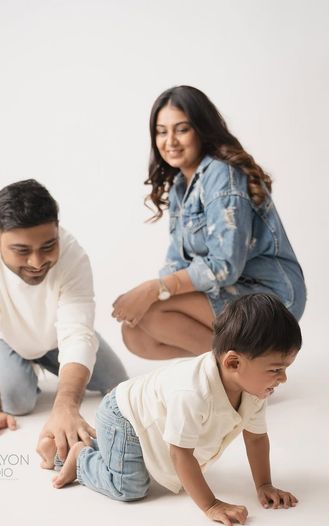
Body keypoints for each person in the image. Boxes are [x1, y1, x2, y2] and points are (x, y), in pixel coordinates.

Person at [50, 294, 301, 526]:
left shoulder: (254, 390)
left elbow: (256, 438)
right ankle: (80, 458)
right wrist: (211, 505)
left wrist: (264, 485)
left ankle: (103, 448)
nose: (283, 378)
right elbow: (181, 453)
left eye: (285, 368)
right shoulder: (194, 393)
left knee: (147, 469)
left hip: (148, 421)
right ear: (233, 363)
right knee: (130, 487)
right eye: (275, 370)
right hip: (124, 416)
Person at [0, 179, 128, 467]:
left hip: (51, 329)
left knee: (117, 381)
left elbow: (76, 332)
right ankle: (19, 359)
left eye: (48, 246)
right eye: (22, 250)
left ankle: (46, 355)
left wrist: (66, 406)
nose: (37, 261)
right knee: (17, 403)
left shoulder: (73, 255)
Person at [112, 85, 306, 360]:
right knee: (135, 334)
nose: (170, 141)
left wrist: (154, 289)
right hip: (232, 295)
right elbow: (177, 263)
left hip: (270, 299)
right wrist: (152, 292)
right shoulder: (181, 185)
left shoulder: (221, 175)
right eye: (161, 131)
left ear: (201, 129)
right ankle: (232, 374)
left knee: (154, 312)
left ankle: (246, 377)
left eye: (182, 129)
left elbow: (225, 266)